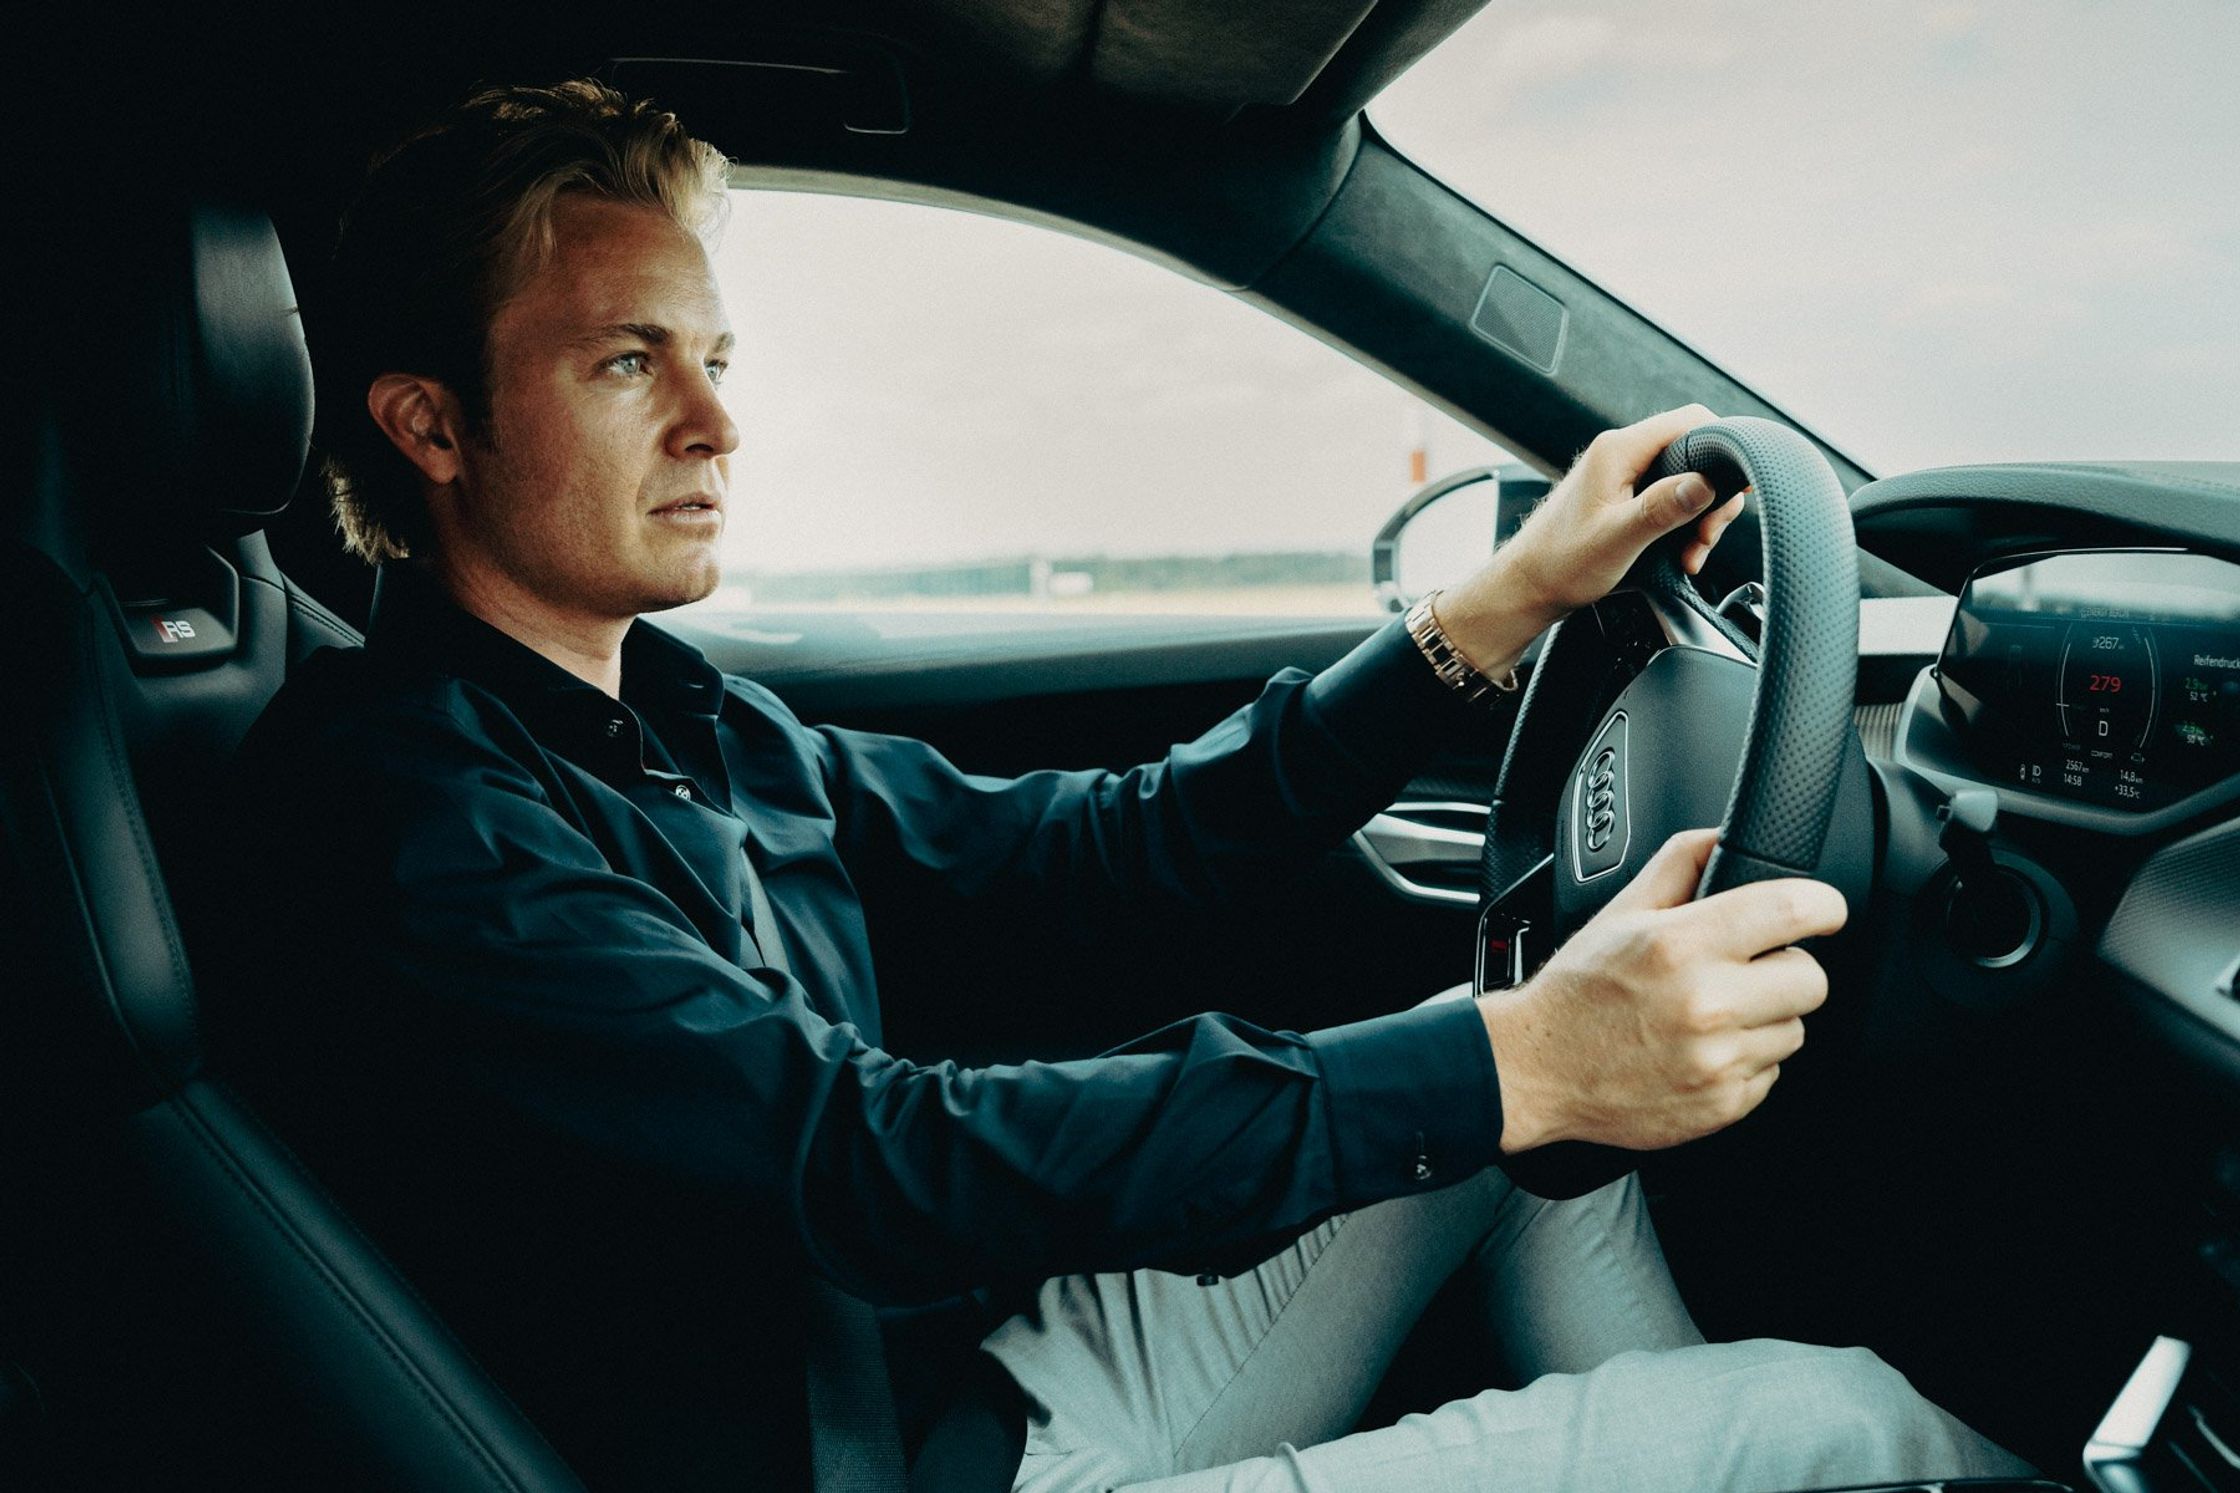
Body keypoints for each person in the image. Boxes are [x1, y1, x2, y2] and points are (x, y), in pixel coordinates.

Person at [217, 79, 2033, 1492]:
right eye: (629, 362)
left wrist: (1490, 614)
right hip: (893, 1468)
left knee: (1519, 1091)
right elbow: (862, 1156)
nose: (716, 421)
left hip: (960, 1385)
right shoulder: (415, 820)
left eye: (717, 354)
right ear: (430, 424)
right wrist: (1525, 1056)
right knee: (1839, 1420)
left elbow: (1113, 854)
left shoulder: (681, 716)